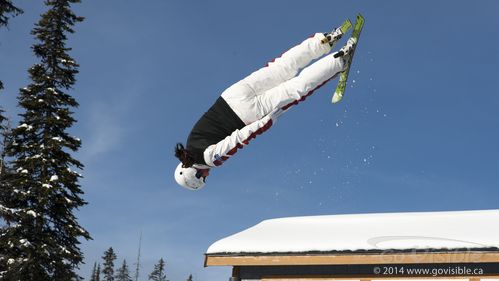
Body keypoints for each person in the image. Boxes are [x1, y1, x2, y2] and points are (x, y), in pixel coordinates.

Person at [174, 26, 357, 190]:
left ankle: (340, 60)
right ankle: (324, 40)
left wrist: (267, 121)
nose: (207, 176)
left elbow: (238, 139)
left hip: (247, 113)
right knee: (281, 67)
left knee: (296, 89)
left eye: (203, 178)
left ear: (194, 176)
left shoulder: (208, 160)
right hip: (232, 95)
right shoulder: (191, 142)